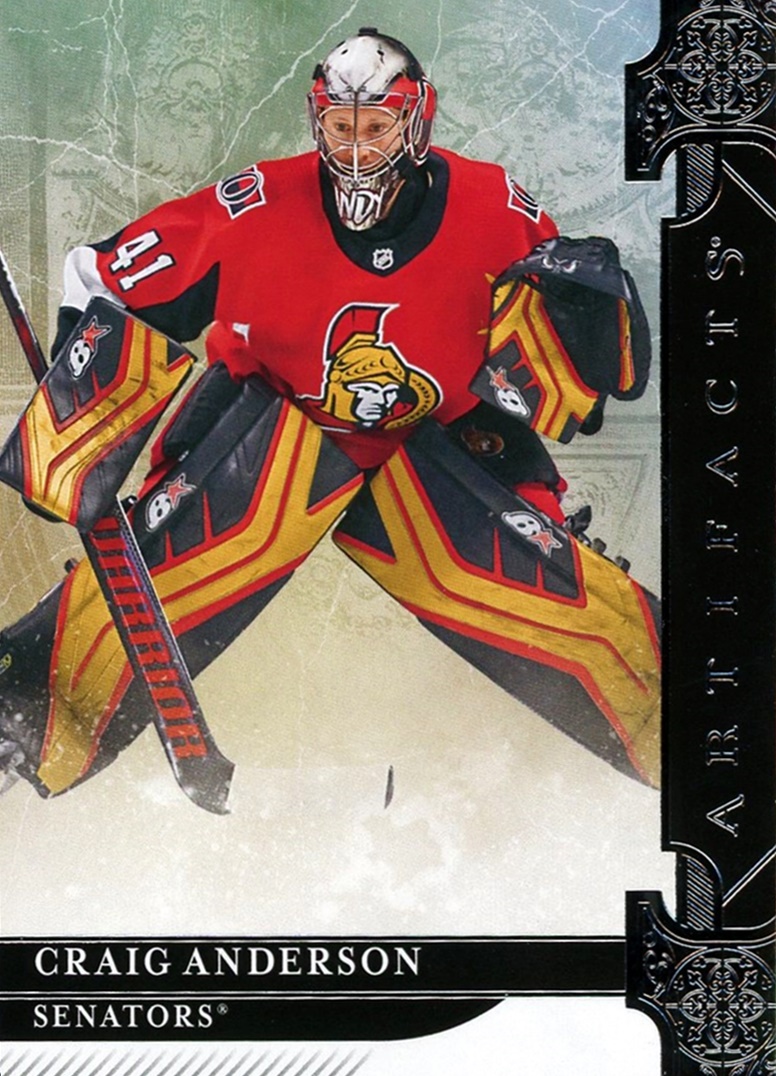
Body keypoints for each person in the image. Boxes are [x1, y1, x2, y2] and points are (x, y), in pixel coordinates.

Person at [0, 28, 660, 803]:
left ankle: (694, 741)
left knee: (574, 612)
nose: (356, 149)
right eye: (341, 127)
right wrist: (83, 413)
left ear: (416, 122)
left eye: (375, 127)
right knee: (157, 586)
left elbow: (567, 337)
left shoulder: (494, 208)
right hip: (269, 439)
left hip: (444, 443)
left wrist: (586, 322)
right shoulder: (255, 205)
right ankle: (24, 719)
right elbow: (103, 275)